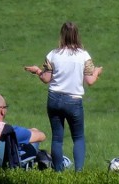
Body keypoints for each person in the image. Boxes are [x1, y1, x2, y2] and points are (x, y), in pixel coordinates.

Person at [24, 21, 103, 172]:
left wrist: (36, 71)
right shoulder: (84, 56)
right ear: (77, 35)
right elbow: (90, 81)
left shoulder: (53, 54)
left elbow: (46, 79)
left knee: (57, 138)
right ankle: (78, 172)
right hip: (73, 100)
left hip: (54, 98)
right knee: (78, 137)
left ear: (62, 35)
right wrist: (97, 72)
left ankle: (58, 171)